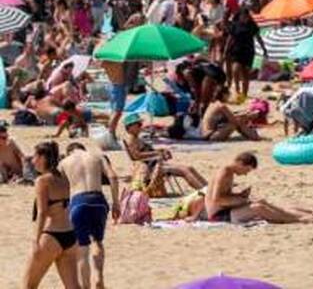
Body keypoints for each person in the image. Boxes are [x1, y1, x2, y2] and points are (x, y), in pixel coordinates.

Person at [59, 141, 119, 289]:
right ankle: (98, 276)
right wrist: (116, 203)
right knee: (97, 242)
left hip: (78, 202)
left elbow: (60, 188)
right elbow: (113, 177)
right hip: (98, 200)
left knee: (82, 247)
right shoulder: (98, 156)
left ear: (69, 152)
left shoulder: (64, 162)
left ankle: (86, 286)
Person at [205, 151, 313, 224]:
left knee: (262, 202)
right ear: (240, 163)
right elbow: (217, 200)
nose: (246, 174)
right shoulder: (224, 172)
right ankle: (298, 219)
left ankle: (306, 213)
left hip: (226, 210)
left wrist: (239, 196)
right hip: (218, 216)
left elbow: (223, 195)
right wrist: (242, 200)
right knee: (259, 207)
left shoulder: (228, 172)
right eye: (246, 170)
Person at [24, 141, 82, 289]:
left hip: (51, 236)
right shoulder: (65, 177)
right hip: (70, 235)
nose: (32, 160)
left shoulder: (42, 181)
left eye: (34, 156)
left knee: (29, 285)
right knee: (73, 286)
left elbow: (43, 213)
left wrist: (35, 241)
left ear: (43, 158)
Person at [121, 113, 208, 193]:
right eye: (138, 125)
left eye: (140, 124)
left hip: (154, 164)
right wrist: (157, 154)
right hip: (151, 168)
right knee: (184, 170)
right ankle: (204, 190)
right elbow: (136, 156)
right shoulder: (131, 139)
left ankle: (208, 188)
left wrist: (160, 152)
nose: (141, 126)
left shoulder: (136, 138)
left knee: (189, 168)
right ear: (130, 127)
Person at [222, 7, 265, 101]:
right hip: (237, 50)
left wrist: (264, 48)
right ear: (240, 16)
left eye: (246, 16)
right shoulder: (235, 25)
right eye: (243, 16)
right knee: (235, 70)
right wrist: (226, 50)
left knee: (246, 74)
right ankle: (237, 87)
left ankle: (244, 93)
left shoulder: (252, 25)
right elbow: (230, 38)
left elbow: (258, 38)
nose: (245, 18)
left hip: (248, 51)